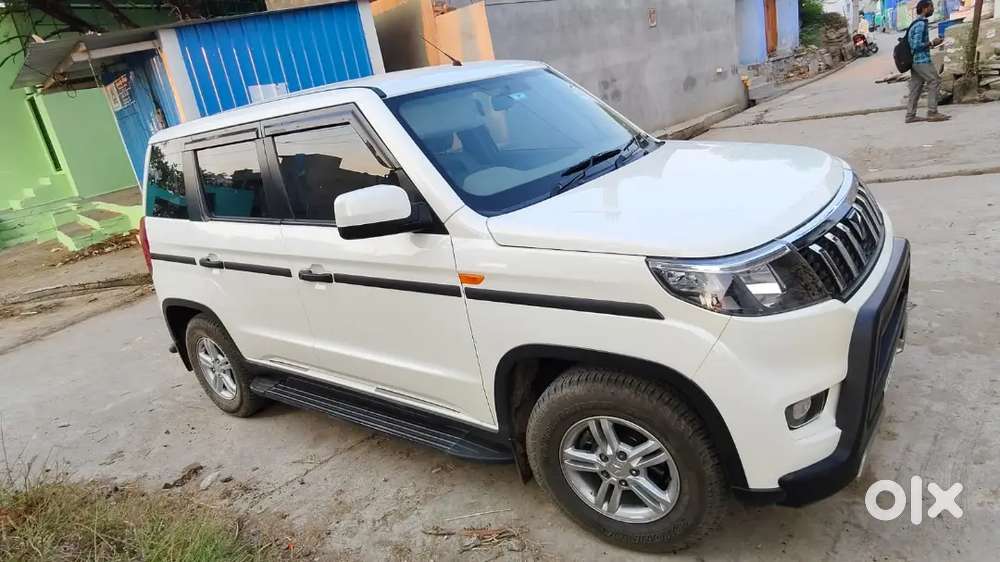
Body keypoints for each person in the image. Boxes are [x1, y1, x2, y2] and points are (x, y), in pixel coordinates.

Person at [906, 0, 950, 123]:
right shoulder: (920, 24)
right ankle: (932, 112)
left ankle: (910, 115)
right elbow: (916, 45)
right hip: (921, 60)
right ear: (925, 8)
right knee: (935, 80)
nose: (933, 9)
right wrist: (932, 43)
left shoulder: (915, 23)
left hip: (914, 61)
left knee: (916, 87)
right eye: (931, 7)